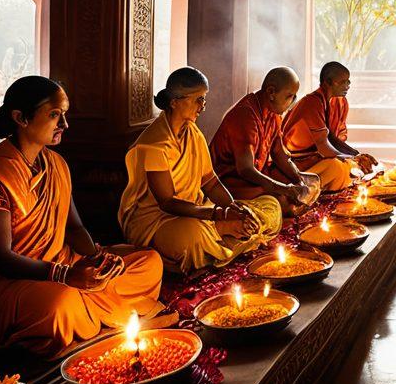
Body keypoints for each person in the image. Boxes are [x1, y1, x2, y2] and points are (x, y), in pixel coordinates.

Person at [0, 77, 163, 355]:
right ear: (21, 118)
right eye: (54, 115)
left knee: (149, 263)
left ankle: (88, 309)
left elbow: (74, 228)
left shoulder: (55, 164)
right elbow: (1, 258)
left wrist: (98, 259)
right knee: (62, 305)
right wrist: (65, 275)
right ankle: (92, 309)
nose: (65, 124)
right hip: (6, 282)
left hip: (62, 264)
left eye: (64, 114)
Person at [119, 67, 282, 273]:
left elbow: (210, 182)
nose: (203, 106)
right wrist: (218, 215)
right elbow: (167, 202)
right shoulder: (154, 145)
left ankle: (224, 237)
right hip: (159, 221)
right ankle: (224, 237)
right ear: (174, 102)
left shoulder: (193, 133)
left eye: (204, 99)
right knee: (192, 238)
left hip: (198, 211)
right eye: (198, 99)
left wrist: (234, 209)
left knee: (271, 206)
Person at [210, 67, 332, 216]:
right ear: (271, 92)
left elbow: (278, 153)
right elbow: (245, 169)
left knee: (305, 184)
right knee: (281, 200)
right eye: (289, 96)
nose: (292, 102)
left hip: (257, 174)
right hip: (229, 180)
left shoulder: (274, 114)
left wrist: (299, 178)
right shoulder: (245, 115)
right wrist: (284, 189)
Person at [281, 62, 377, 192]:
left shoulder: (335, 101)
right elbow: (324, 147)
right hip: (299, 161)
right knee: (339, 168)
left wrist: (357, 155)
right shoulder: (312, 103)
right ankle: (308, 191)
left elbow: (331, 137)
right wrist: (352, 158)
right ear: (328, 83)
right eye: (343, 82)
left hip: (316, 157)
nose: (348, 85)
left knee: (354, 167)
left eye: (348, 81)